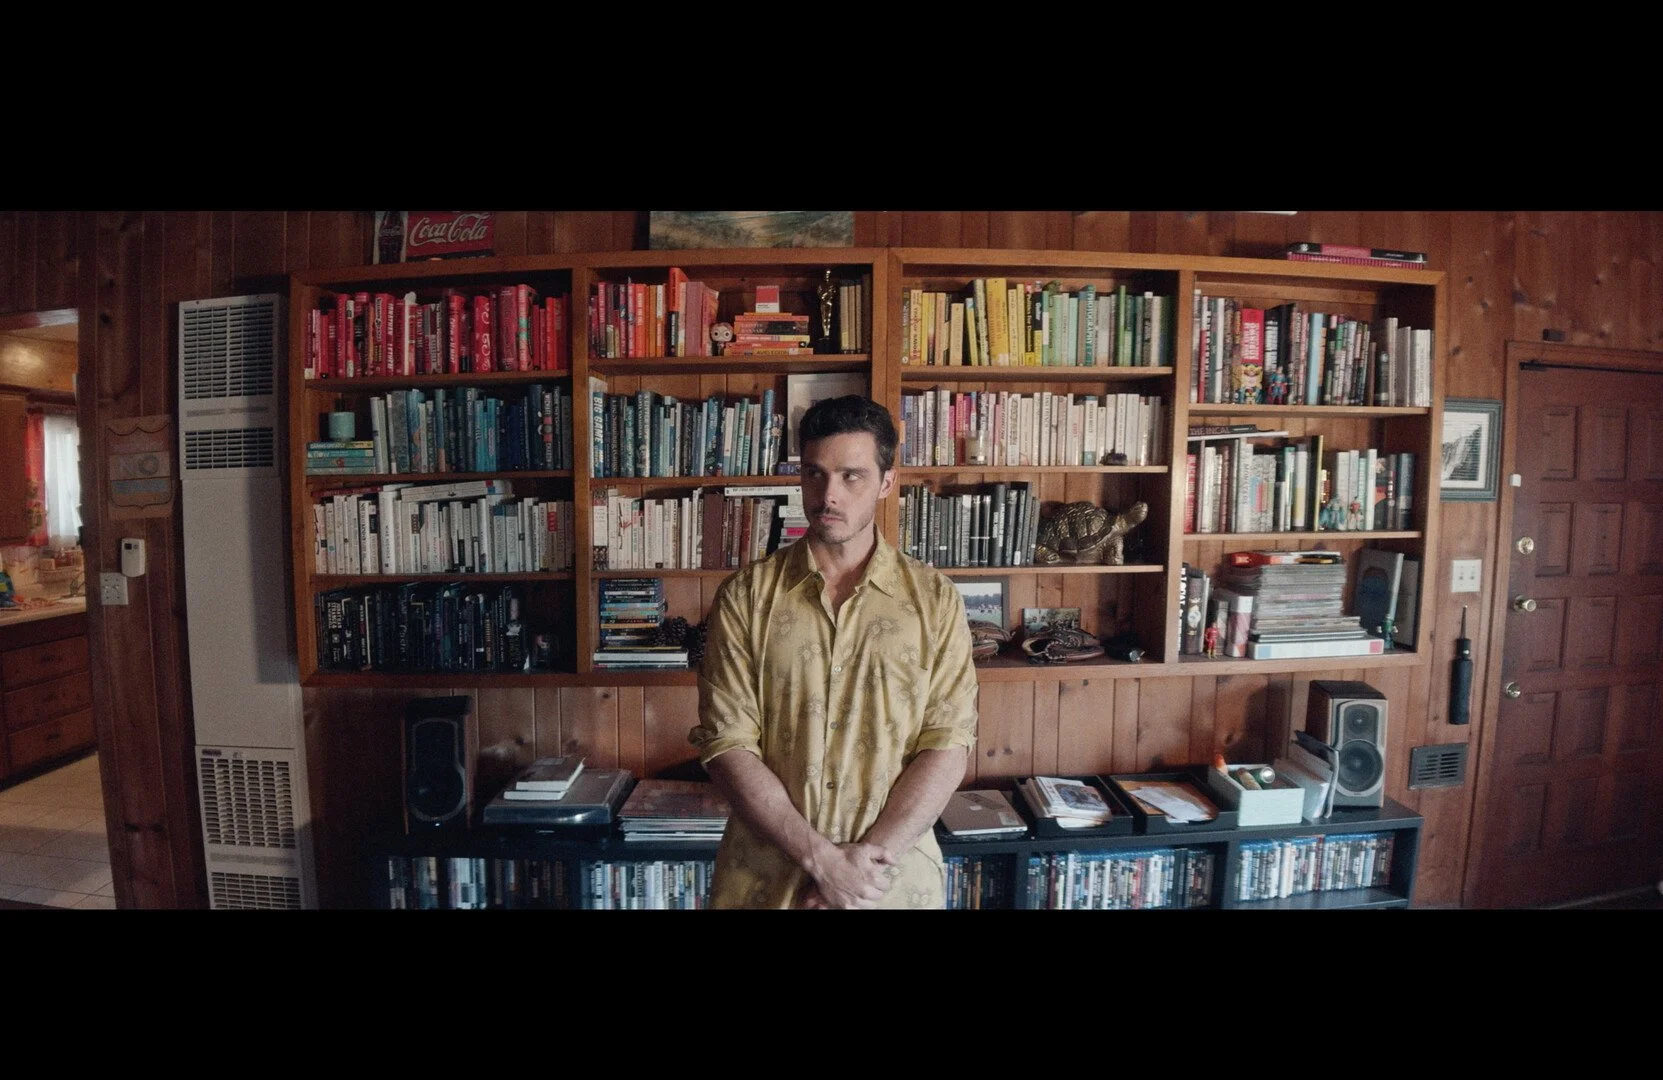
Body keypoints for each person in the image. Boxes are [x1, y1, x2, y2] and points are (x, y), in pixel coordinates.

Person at [689, 395, 977, 908]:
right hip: (765, 883)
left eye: (852, 476)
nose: (829, 495)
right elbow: (727, 744)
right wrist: (822, 861)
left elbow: (948, 743)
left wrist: (857, 874)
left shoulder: (934, 601)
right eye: (815, 475)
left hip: (890, 885)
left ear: (886, 483)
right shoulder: (746, 596)